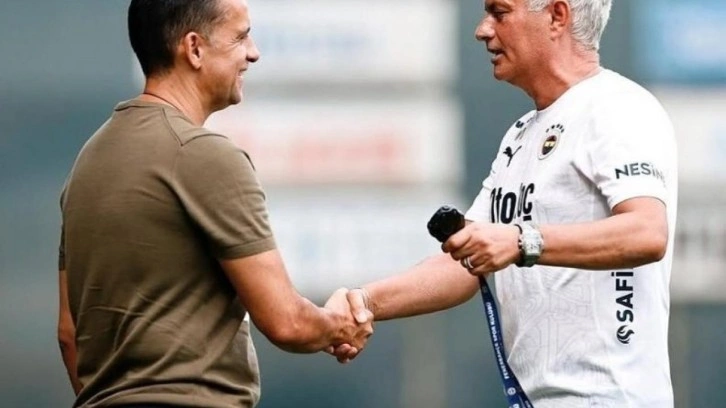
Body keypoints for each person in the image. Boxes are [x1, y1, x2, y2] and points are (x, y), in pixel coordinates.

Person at [333, 0, 677, 407]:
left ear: (557, 16)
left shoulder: (617, 106)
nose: (482, 30)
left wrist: (521, 240)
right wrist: (364, 302)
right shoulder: (520, 134)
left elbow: (646, 232)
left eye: (500, 13)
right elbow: (465, 264)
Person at [56, 0, 372, 407]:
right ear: (194, 48)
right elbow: (287, 321)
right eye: (241, 37)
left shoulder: (88, 164)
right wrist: (340, 325)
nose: (254, 53)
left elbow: (69, 335)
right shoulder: (204, 155)